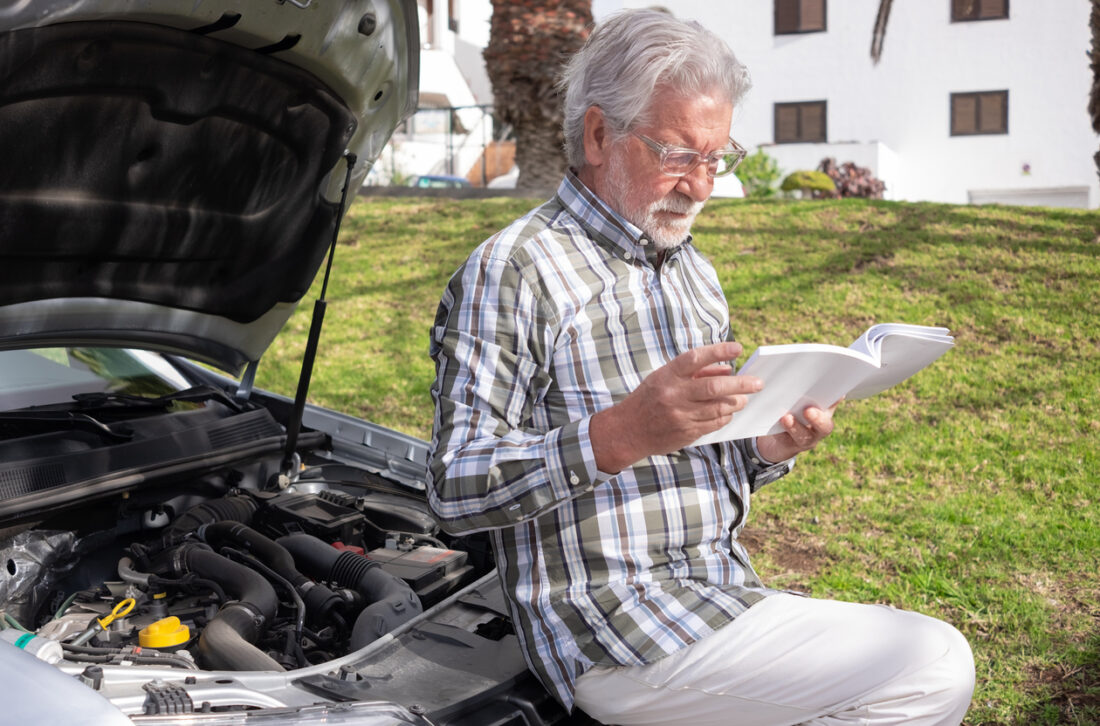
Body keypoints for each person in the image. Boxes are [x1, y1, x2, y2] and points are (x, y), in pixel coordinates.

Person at [427, 9, 974, 725]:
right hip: (615, 631)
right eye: (679, 154)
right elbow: (452, 485)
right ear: (598, 135)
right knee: (931, 662)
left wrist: (763, 448)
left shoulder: (694, 274)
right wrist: (617, 434)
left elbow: (699, 454)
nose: (702, 186)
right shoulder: (514, 270)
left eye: (717, 158)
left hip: (717, 595)